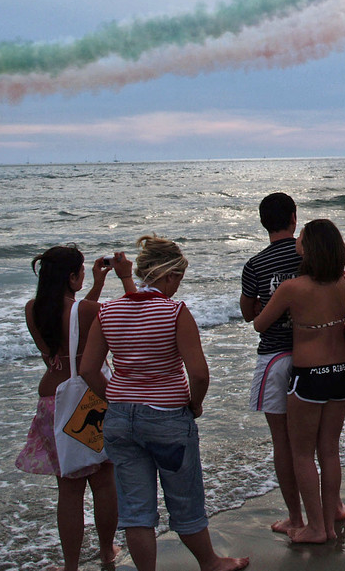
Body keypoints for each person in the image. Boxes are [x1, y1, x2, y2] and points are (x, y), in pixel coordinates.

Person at [80, 234, 248, 571]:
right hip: (167, 417)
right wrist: (194, 404)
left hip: (119, 419)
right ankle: (210, 562)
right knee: (184, 499)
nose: (178, 287)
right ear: (170, 275)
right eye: (178, 279)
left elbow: (87, 369)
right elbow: (198, 373)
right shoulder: (174, 312)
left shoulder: (108, 312)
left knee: (136, 509)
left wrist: (115, 396)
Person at [16, 245, 130, 571]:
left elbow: (55, 350)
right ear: (71, 277)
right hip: (88, 401)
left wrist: (93, 285)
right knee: (104, 482)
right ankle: (107, 552)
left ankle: (70, 567)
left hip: (52, 401)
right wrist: (114, 280)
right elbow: (100, 318)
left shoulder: (31, 309)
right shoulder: (87, 310)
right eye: (80, 272)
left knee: (68, 490)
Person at [254, 218, 345, 544]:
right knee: (329, 452)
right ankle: (329, 518)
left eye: (303, 238)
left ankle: (315, 528)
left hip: (310, 376)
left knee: (301, 453)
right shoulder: (343, 282)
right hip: (342, 373)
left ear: (309, 249)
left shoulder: (292, 288)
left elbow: (260, 324)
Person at [240, 192, 303, 534]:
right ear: (294, 217)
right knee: (317, 440)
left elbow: (248, 312)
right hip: (314, 356)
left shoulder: (255, 265)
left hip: (274, 356)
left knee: (283, 442)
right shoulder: (308, 259)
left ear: (264, 223)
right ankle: (330, 508)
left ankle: (295, 518)